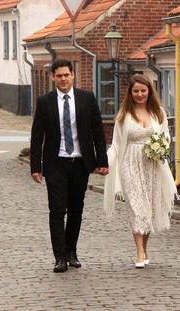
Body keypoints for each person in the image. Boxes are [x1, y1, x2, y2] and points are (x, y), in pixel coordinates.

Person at [30, 59, 109, 273]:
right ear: (52, 77)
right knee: (57, 210)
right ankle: (59, 257)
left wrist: (102, 160)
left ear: (73, 75)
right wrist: (35, 166)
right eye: (59, 75)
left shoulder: (86, 99)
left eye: (67, 75)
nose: (63, 79)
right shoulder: (45, 102)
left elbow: (97, 132)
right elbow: (37, 136)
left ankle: (71, 251)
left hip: (80, 163)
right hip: (56, 163)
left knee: (76, 209)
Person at [104, 74, 177, 268]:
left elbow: (166, 137)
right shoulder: (124, 116)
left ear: (149, 91)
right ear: (130, 93)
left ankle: (144, 248)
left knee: (149, 209)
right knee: (137, 207)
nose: (139, 94)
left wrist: (161, 147)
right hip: (130, 164)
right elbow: (117, 144)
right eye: (135, 91)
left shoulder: (158, 113)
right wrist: (105, 163)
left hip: (152, 165)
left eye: (143, 90)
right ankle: (139, 252)